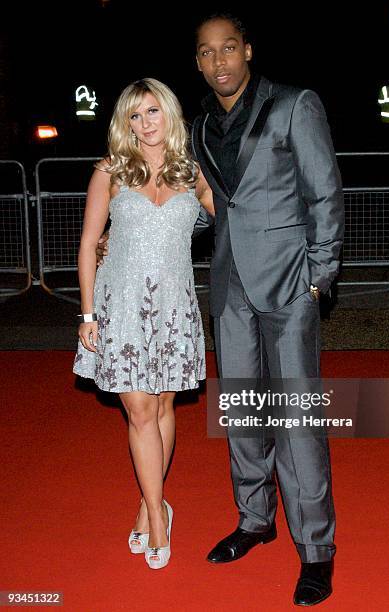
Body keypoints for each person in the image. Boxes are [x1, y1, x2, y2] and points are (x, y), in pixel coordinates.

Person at [191, 14, 344, 607]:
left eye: (229, 48)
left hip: (289, 288)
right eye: (207, 53)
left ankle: (316, 549)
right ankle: (255, 519)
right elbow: (213, 209)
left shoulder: (294, 104)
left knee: (298, 421)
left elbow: (324, 191)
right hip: (229, 290)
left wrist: (319, 278)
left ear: (248, 50)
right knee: (242, 414)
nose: (220, 60)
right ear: (199, 64)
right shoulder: (202, 127)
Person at [73, 77, 214, 570]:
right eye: (134, 115)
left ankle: (148, 501)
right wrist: (88, 314)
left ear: (169, 114)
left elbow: (238, 219)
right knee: (139, 412)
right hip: (123, 307)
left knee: (163, 409)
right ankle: (158, 515)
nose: (144, 123)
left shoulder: (195, 173)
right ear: (124, 123)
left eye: (152, 111)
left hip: (175, 308)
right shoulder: (110, 171)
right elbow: (90, 244)